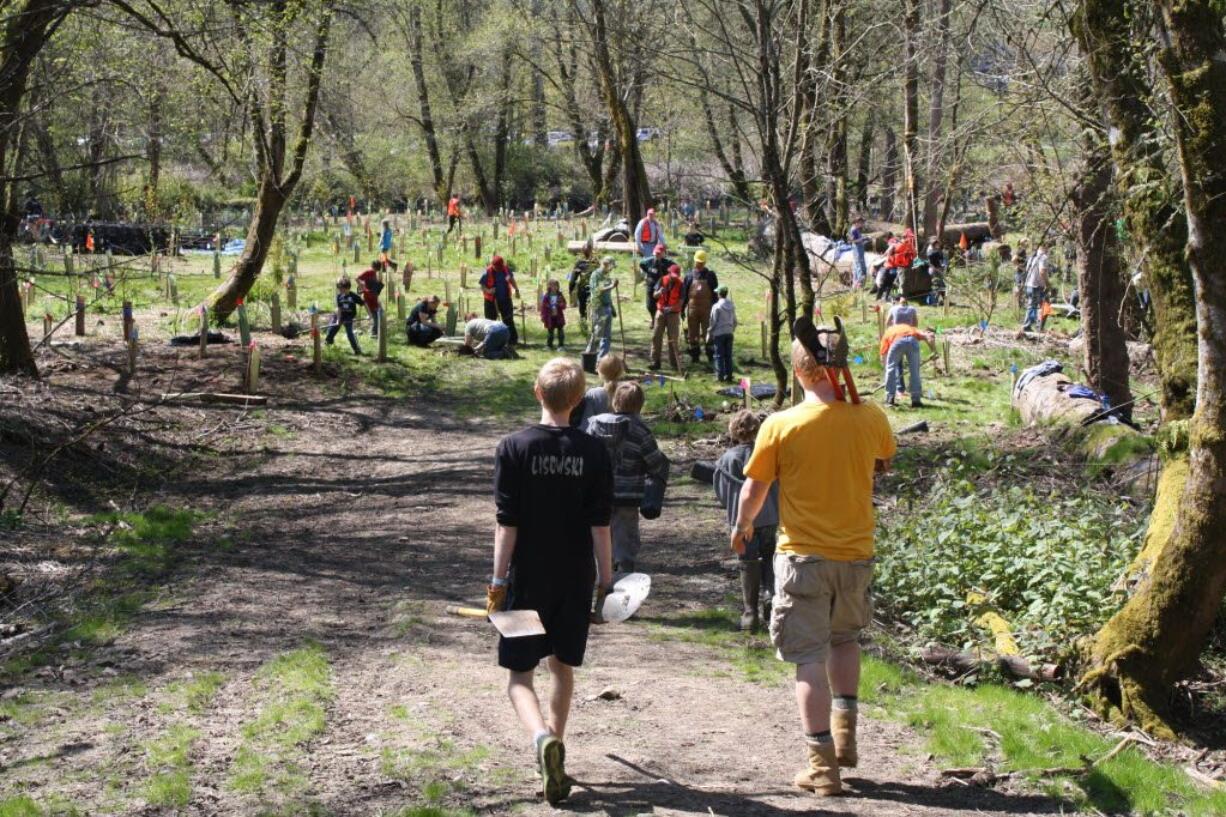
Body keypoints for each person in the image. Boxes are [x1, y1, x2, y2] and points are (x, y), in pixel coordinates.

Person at [733, 317, 896, 797]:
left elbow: (753, 490)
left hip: (803, 558)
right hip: (856, 556)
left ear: (799, 371)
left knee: (807, 657)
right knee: (844, 641)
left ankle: (823, 766)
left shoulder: (780, 425)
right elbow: (884, 460)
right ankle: (845, 742)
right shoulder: (871, 418)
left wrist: (742, 528)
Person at [489, 357, 614, 807]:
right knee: (562, 665)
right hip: (575, 578)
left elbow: (508, 523)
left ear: (537, 393)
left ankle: (542, 739)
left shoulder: (513, 447)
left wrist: (498, 580)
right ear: (579, 400)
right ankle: (557, 745)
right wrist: (606, 583)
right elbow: (602, 525)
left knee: (519, 676)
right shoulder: (595, 452)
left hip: (526, 578)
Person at [583, 382, 669, 575]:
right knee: (626, 531)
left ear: (614, 402)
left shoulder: (594, 425)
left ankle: (604, 566)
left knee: (602, 528)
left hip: (599, 492)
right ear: (640, 405)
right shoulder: (641, 431)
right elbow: (655, 462)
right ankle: (624, 566)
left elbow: (585, 455)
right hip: (628, 494)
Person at [713, 410, 779, 631]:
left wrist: (732, 509)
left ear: (733, 431)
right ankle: (771, 595)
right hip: (769, 517)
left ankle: (750, 613)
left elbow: (721, 491)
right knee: (770, 556)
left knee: (747, 561)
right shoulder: (768, 455)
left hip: (741, 521)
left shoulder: (726, 460)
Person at [880, 323, 936, 408]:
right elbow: (930, 337)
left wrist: (886, 371)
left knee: (890, 369)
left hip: (897, 342)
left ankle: (890, 398)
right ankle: (916, 400)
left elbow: (883, 354)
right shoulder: (913, 329)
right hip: (912, 341)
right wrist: (934, 351)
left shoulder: (887, 332)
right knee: (915, 371)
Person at [682, 250, 719, 364]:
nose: (700, 265)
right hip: (692, 310)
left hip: (707, 310)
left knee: (708, 333)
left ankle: (710, 356)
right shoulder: (689, 276)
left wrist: (716, 308)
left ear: (705, 262)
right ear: (695, 262)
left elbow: (715, 293)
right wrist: (682, 309)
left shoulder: (710, 275)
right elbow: (684, 294)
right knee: (693, 334)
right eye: (698, 262)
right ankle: (695, 356)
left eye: (701, 263)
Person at [571, 354, 625, 429]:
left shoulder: (593, 394)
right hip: (620, 435)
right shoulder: (625, 392)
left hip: (596, 436)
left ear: (599, 371)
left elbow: (586, 422)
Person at [650, 263, 683, 371]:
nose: (674, 278)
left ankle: (674, 364)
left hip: (673, 314)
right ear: (669, 273)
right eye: (672, 275)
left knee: (673, 339)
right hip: (661, 312)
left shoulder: (680, 284)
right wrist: (659, 292)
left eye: (676, 276)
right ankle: (655, 362)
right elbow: (654, 295)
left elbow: (681, 301)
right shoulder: (662, 280)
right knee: (656, 336)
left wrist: (672, 308)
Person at [481, 255, 520, 346]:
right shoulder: (487, 272)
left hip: (505, 299)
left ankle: (512, 340)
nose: (499, 269)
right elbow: (482, 286)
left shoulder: (506, 269)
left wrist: (516, 290)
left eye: (500, 267)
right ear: (493, 265)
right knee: (490, 322)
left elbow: (511, 279)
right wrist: (489, 291)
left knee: (508, 320)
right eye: (497, 267)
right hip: (491, 301)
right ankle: (490, 341)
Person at [584, 256, 616, 359]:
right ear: (606, 264)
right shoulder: (596, 275)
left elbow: (607, 294)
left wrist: (612, 306)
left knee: (607, 336)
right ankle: (590, 356)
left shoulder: (607, 275)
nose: (612, 269)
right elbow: (597, 290)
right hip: (599, 307)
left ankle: (602, 360)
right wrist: (611, 286)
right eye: (611, 267)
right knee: (598, 333)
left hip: (607, 307)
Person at [326, 277, 364, 354]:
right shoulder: (339, 296)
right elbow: (339, 309)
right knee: (331, 330)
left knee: (350, 333)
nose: (341, 291)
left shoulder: (353, 296)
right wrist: (338, 320)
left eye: (342, 289)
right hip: (339, 315)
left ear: (347, 288)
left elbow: (363, 303)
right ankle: (328, 344)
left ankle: (357, 350)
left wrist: (369, 315)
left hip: (348, 317)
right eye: (340, 289)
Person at [707, 286, 737, 382]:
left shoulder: (716, 306)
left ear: (719, 294)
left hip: (719, 333)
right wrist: (732, 329)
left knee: (719, 355)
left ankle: (720, 376)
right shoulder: (732, 305)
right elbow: (735, 321)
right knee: (728, 355)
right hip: (729, 332)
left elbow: (713, 321)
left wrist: (710, 331)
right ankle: (729, 376)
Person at [639, 244, 674, 327]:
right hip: (651, 285)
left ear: (663, 253)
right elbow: (641, 263)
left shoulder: (668, 263)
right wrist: (647, 273)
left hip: (662, 286)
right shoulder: (649, 261)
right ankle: (653, 318)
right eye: (656, 253)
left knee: (662, 304)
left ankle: (661, 321)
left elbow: (675, 268)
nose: (657, 255)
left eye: (659, 253)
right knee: (650, 305)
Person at [1021, 243, 1050, 332]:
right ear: (1045, 247)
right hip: (1038, 286)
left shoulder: (1033, 256)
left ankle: (1029, 326)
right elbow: (1042, 271)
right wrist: (1048, 283)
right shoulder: (1043, 257)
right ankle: (1036, 327)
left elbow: (1026, 269)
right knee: (1046, 306)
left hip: (1029, 285)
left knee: (1032, 306)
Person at [567, 241, 596, 327]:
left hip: (583, 288)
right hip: (594, 289)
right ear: (591, 251)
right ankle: (594, 326)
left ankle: (584, 324)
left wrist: (571, 289)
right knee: (593, 308)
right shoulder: (596, 262)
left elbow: (573, 279)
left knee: (582, 308)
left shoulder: (579, 263)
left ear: (582, 252)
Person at [356, 260, 385, 337]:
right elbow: (357, 278)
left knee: (379, 313)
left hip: (373, 296)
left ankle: (375, 331)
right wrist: (363, 288)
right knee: (375, 315)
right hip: (368, 297)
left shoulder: (374, 273)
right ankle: (374, 332)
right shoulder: (368, 272)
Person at [539, 279, 568, 350]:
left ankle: (561, 345)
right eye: (552, 286)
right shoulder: (546, 296)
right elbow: (543, 307)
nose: (554, 287)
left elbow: (564, 304)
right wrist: (543, 316)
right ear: (549, 287)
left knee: (560, 330)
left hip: (559, 316)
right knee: (550, 331)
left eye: (556, 286)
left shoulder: (560, 295)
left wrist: (560, 305)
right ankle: (549, 345)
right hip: (550, 317)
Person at [848, 216, 869, 288]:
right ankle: (859, 284)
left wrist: (863, 238)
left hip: (860, 248)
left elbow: (858, 238)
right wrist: (862, 239)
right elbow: (852, 240)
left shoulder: (857, 229)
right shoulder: (853, 230)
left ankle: (856, 283)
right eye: (861, 223)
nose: (862, 224)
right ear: (856, 222)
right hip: (857, 249)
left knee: (858, 264)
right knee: (859, 265)